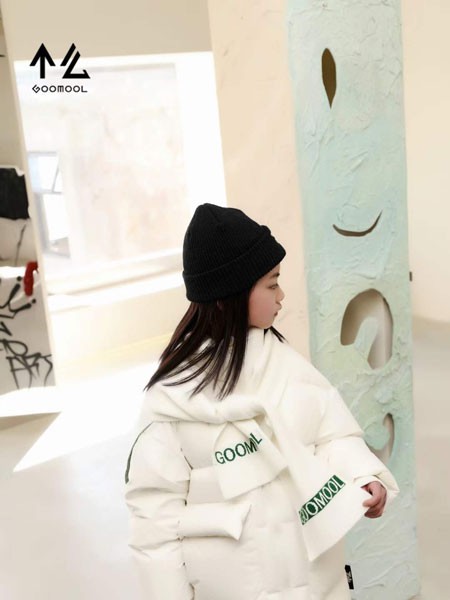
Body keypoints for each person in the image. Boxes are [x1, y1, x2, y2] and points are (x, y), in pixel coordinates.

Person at [124, 203, 399, 600]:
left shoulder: (288, 366)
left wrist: (362, 475)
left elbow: (330, 435)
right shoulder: (171, 401)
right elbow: (154, 519)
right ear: (229, 295)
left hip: (312, 580)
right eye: (272, 285)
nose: (281, 296)